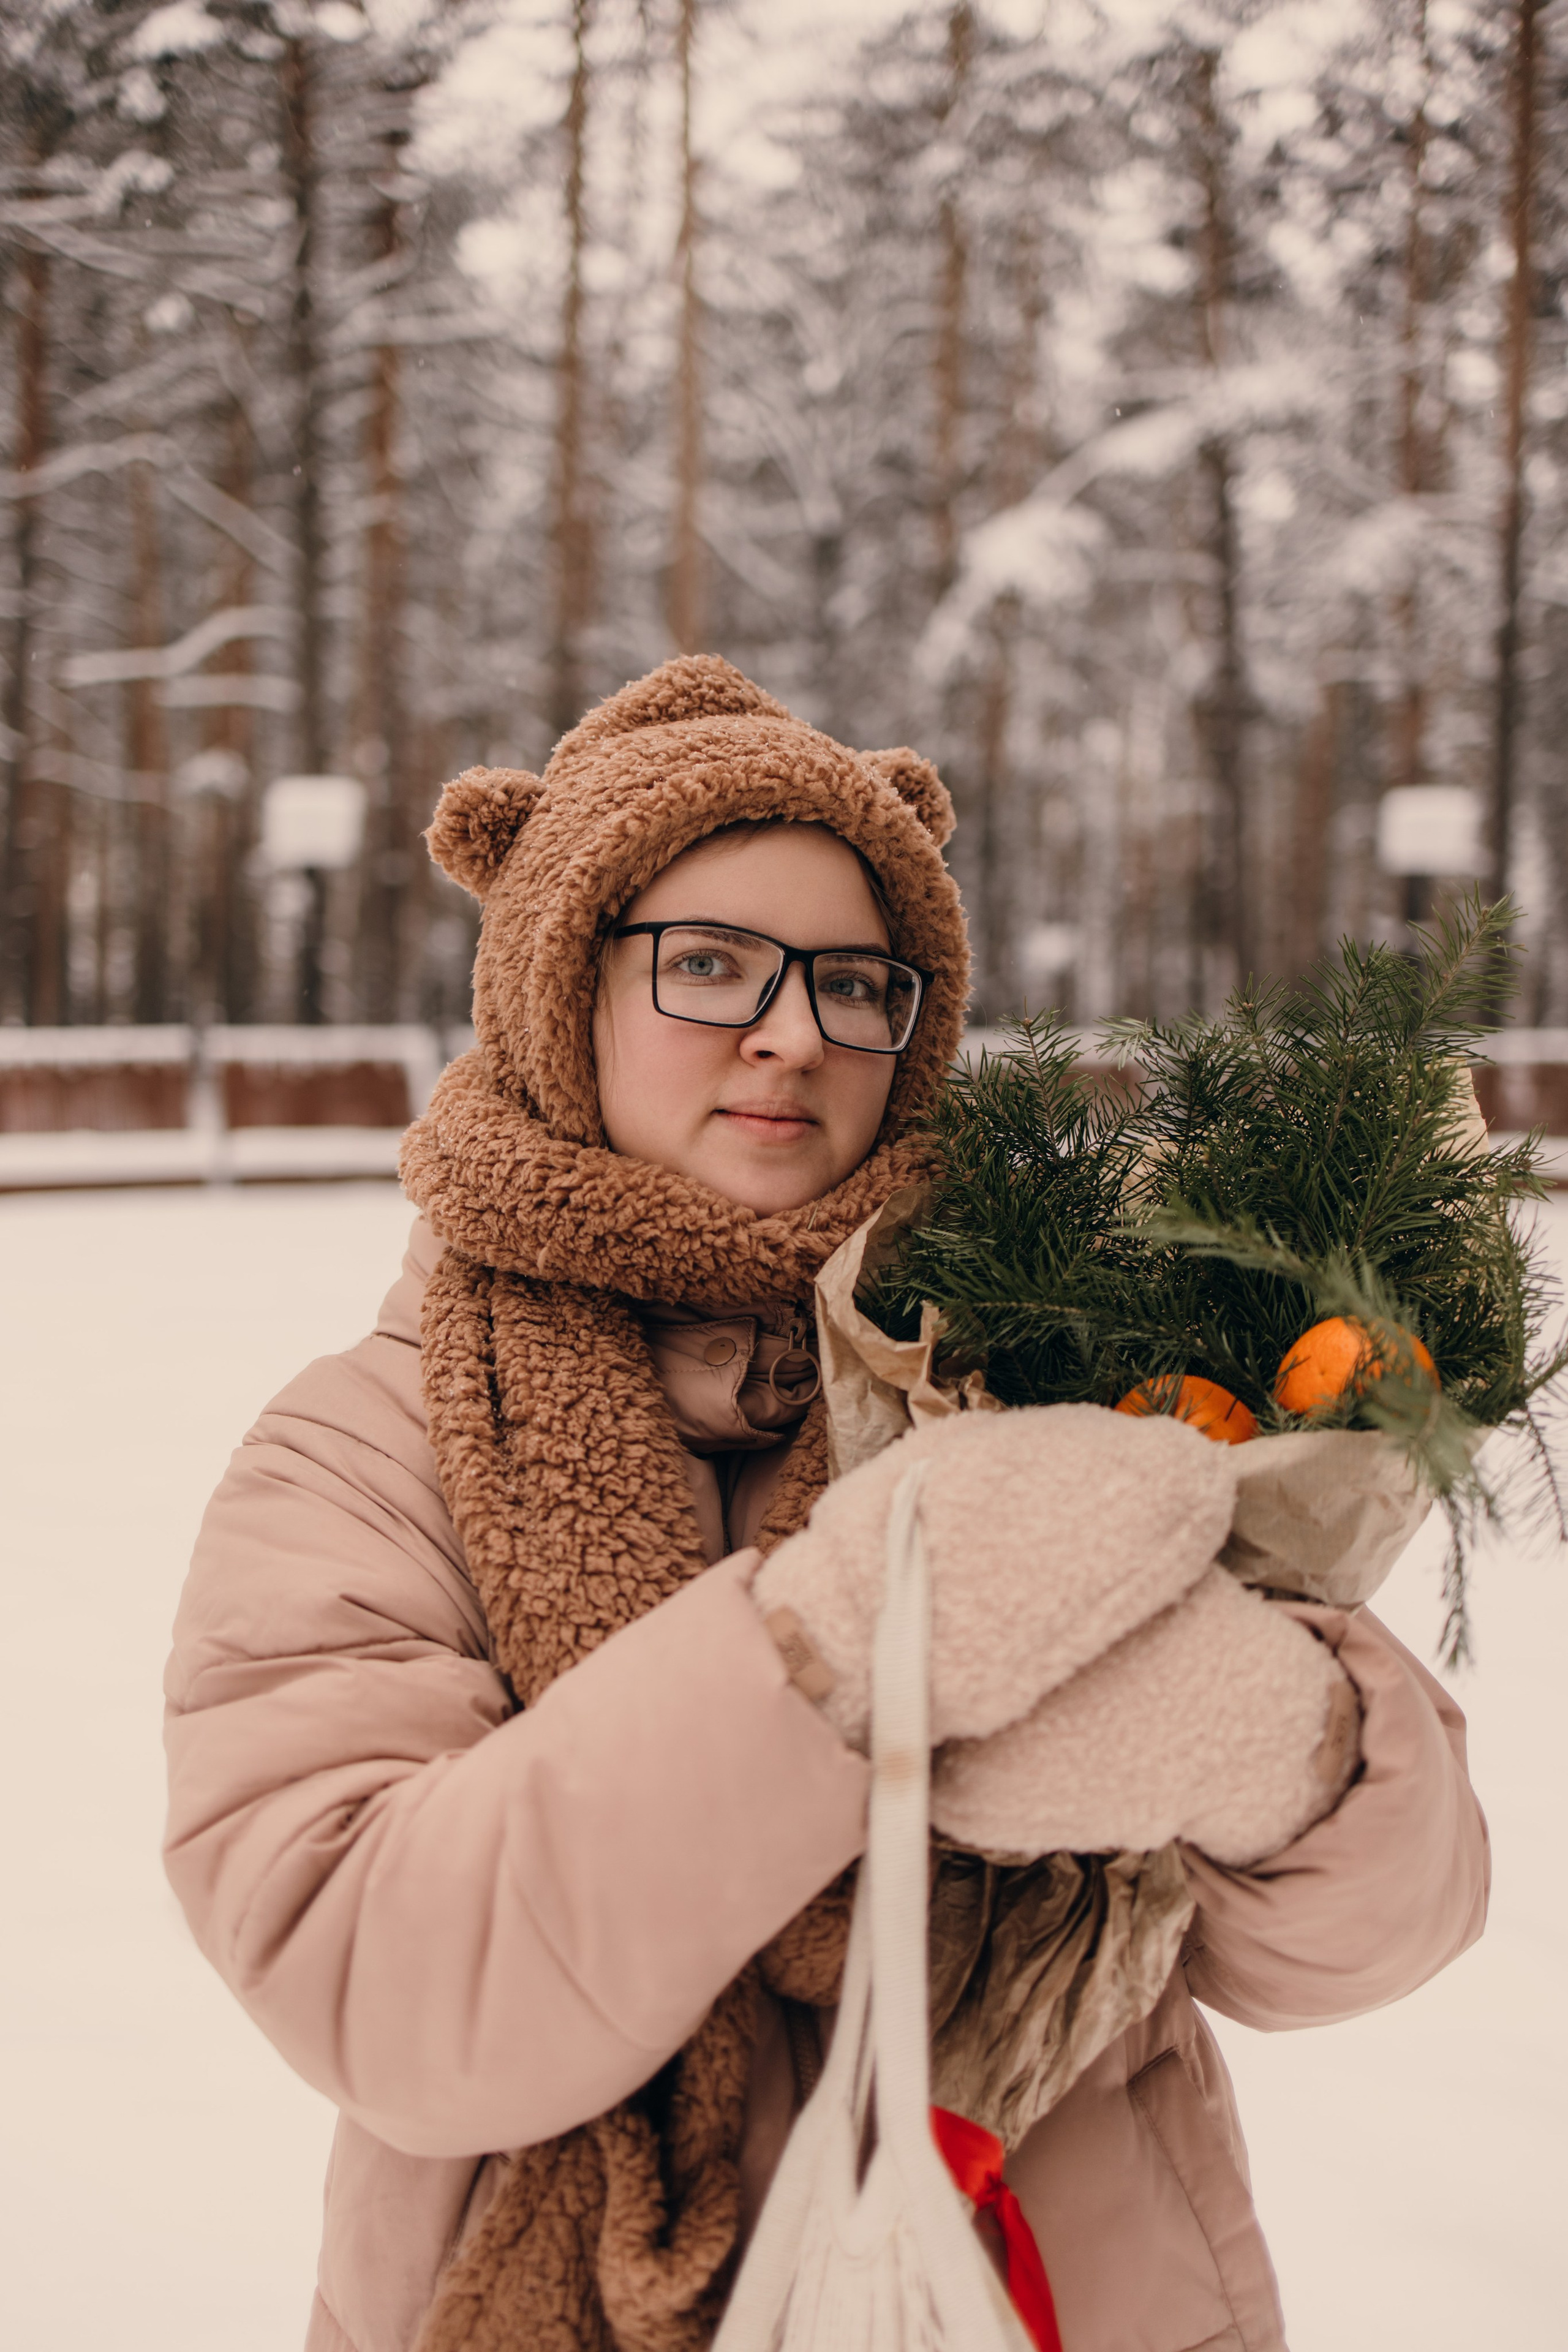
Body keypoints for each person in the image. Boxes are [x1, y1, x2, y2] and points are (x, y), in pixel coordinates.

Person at [164, 657, 1488, 2352]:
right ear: (559, 991)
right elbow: (386, 1985)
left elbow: (1372, 1946)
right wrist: (835, 1642)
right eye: (707, 966)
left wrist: (1292, 1752)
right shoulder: (363, 1453)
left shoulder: (1045, 1363)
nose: (794, 1032)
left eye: (858, 983)